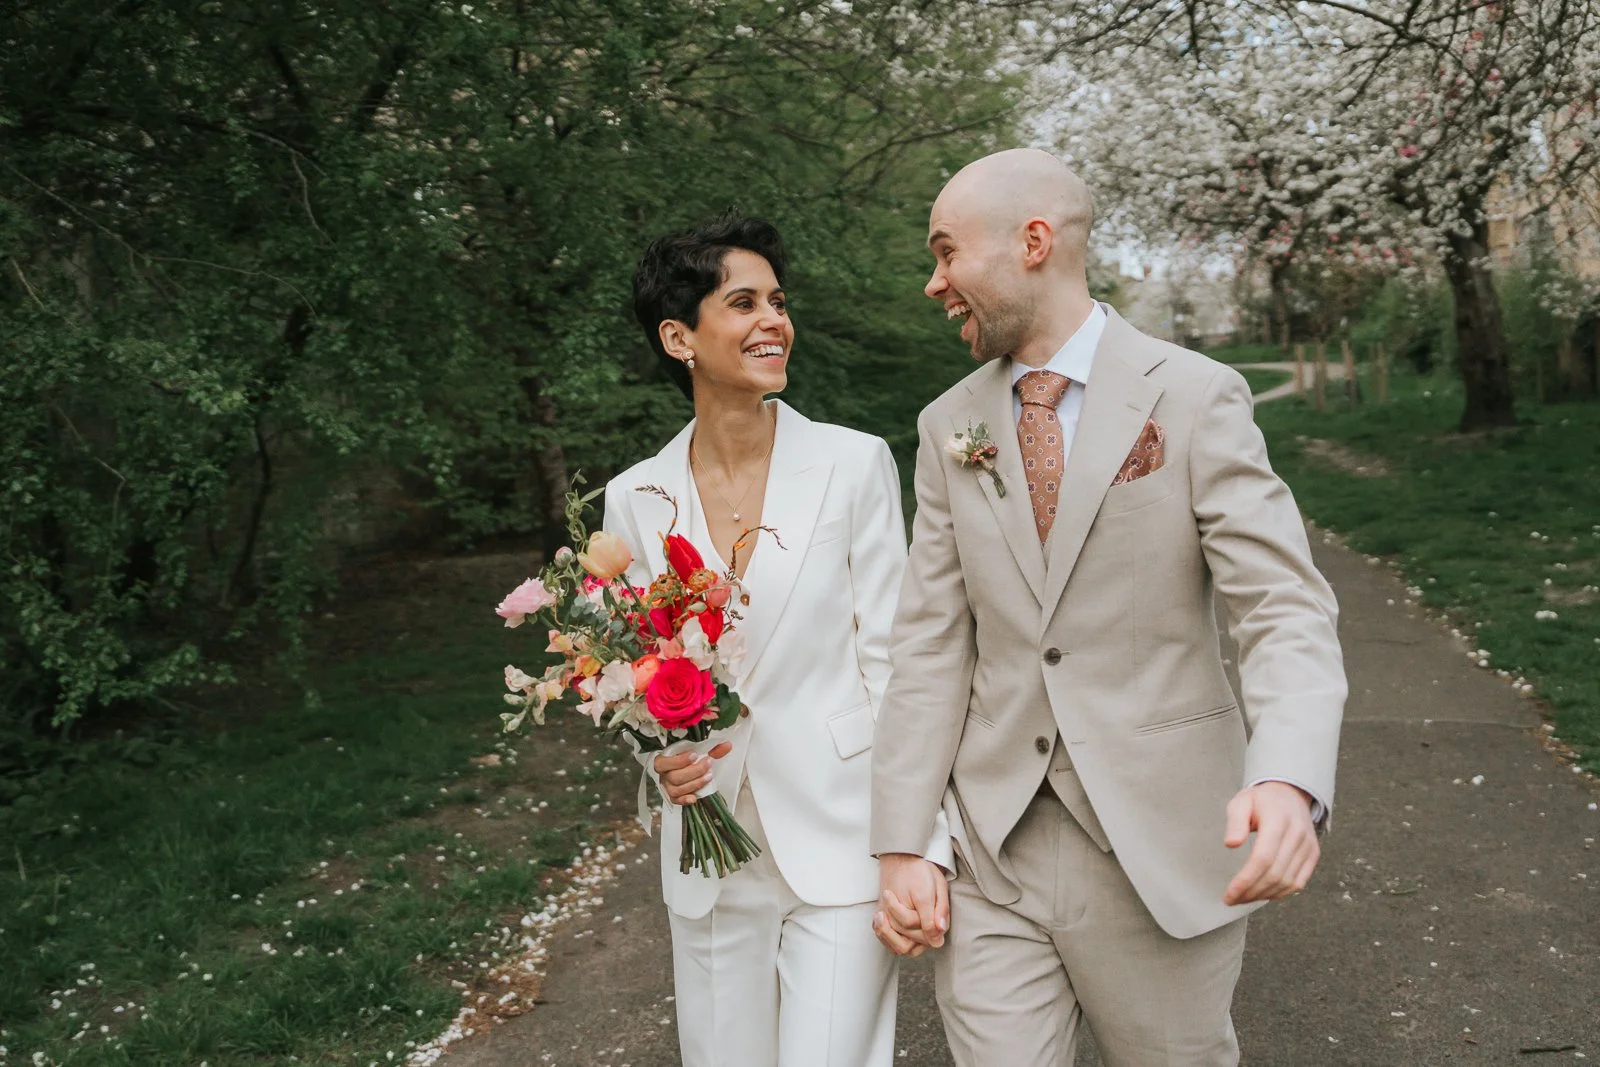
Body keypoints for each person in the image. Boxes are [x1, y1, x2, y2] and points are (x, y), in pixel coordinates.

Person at [869, 149, 1347, 1065]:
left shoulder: (1198, 396)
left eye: (945, 254)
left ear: (1034, 242)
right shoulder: (946, 427)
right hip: (992, 855)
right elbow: (928, 643)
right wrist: (902, 841)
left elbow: (1283, 607)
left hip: (1157, 848)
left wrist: (1288, 774)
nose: (934, 283)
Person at [600, 213, 948, 1067]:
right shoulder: (633, 498)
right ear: (679, 336)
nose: (774, 321)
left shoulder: (854, 463)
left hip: (842, 832)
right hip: (710, 846)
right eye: (744, 302)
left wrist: (920, 844)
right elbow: (624, 674)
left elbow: (897, 663)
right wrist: (659, 761)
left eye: (779, 302)